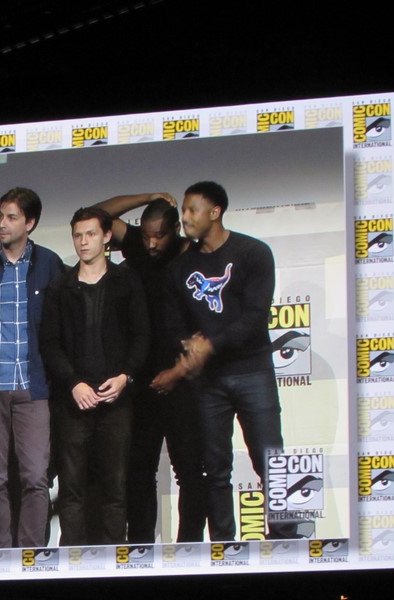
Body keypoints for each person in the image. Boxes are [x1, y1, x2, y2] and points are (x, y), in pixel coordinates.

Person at [151, 181, 284, 541]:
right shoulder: (180, 269)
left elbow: (255, 318)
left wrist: (209, 344)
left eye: (192, 210)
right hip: (208, 383)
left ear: (215, 212)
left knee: (272, 460)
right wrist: (189, 347)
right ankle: (223, 544)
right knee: (215, 468)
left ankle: (286, 538)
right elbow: (174, 325)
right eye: (183, 210)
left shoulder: (253, 253)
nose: (185, 217)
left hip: (253, 371)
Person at [93, 192, 205, 543]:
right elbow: (95, 214)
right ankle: (141, 547)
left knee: (190, 471)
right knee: (139, 473)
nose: (152, 244)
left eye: (160, 235)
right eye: (146, 236)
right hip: (141, 383)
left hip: (183, 381)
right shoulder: (137, 250)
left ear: (176, 230)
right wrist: (147, 196)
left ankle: (189, 548)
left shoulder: (194, 257)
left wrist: (178, 372)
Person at [40, 206, 149, 546]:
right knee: (71, 489)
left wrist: (126, 377)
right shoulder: (60, 286)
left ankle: (114, 555)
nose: (83, 242)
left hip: (116, 400)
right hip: (73, 403)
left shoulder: (126, 281)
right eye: (77, 235)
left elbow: (141, 335)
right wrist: (73, 383)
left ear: (106, 237)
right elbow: (50, 343)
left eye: (90, 234)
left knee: (115, 487)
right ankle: (73, 557)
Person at [0, 188, 64, 548]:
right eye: (0, 215)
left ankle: (31, 554)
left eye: (11, 217)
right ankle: (1, 552)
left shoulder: (49, 264)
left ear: (30, 223)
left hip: (32, 386)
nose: (2, 223)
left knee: (36, 478)